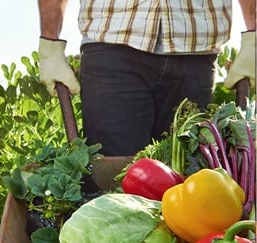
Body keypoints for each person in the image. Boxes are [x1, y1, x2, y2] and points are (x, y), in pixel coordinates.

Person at [37, 0, 256, 157]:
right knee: (113, 182)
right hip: (112, 43)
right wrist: (50, 42)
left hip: (195, 47)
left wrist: (253, 35)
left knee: (188, 174)